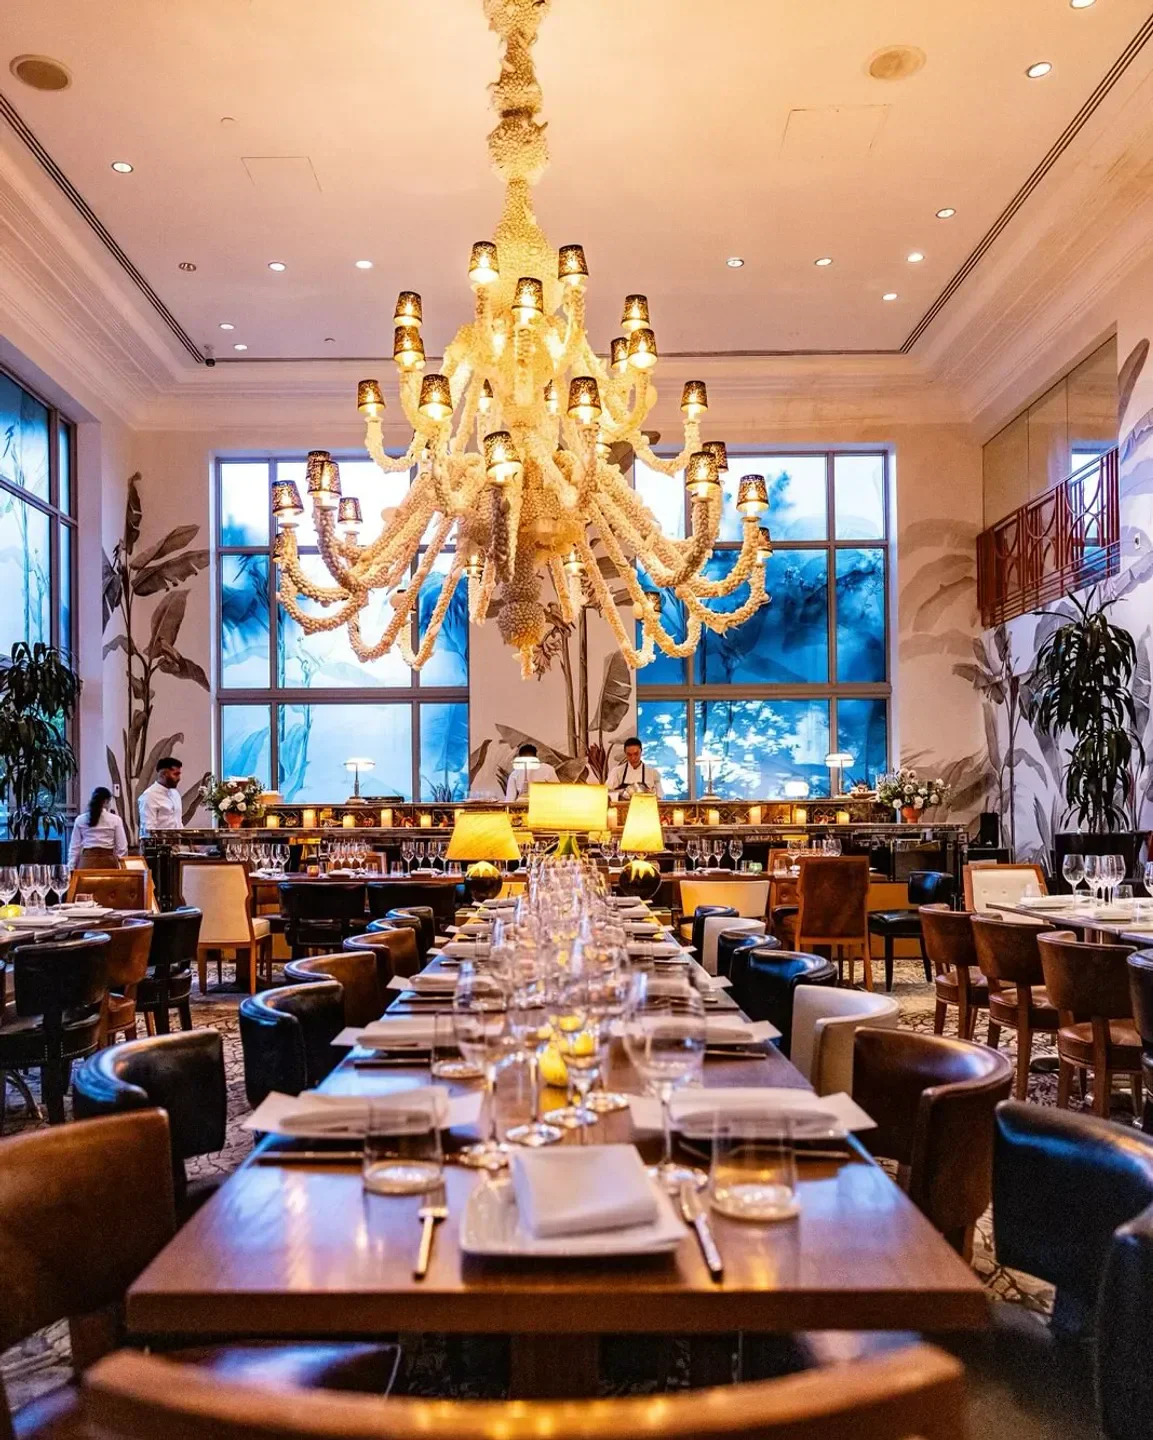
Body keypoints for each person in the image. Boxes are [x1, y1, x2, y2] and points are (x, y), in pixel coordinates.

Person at [69, 786, 129, 869]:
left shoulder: (80, 819)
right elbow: (122, 847)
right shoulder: (116, 820)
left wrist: (71, 868)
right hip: (108, 863)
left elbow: (74, 848)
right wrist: (120, 865)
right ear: (106, 801)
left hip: (86, 864)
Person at [138, 755, 184, 836]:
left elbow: (178, 823)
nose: (179, 778)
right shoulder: (149, 796)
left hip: (177, 844)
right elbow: (149, 830)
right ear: (163, 774)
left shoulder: (175, 794)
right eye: (176, 774)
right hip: (159, 846)